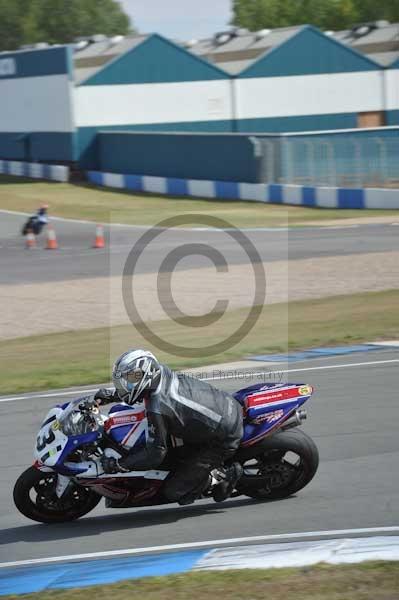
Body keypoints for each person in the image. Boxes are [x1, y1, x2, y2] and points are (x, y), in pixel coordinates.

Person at [91, 349, 244, 505]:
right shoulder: (161, 373)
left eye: (130, 379)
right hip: (222, 407)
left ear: (146, 375)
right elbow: (139, 388)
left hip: (223, 437)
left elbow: (155, 453)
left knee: (174, 491)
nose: (125, 384)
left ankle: (224, 477)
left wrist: (120, 465)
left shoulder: (158, 407)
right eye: (124, 380)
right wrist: (113, 395)